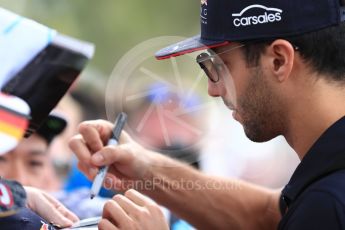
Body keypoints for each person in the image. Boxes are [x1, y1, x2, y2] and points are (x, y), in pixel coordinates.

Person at [70, 0, 345, 229]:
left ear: (279, 60)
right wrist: (145, 169)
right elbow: (268, 217)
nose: (213, 89)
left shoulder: (328, 203)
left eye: (219, 65)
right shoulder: (324, 189)